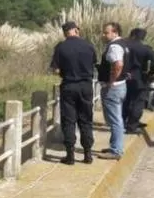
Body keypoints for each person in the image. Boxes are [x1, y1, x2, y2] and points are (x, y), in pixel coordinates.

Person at [49, 20, 98, 165]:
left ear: (64, 32)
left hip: (69, 86)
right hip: (86, 86)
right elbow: (94, 64)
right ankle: (87, 154)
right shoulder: (89, 46)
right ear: (77, 30)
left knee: (69, 120)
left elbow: (56, 69)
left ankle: (70, 155)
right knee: (86, 119)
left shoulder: (60, 47)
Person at [97, 22, 127, 160]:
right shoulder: (123, 44)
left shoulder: (114, 46)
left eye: (106, 32)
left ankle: (116, 150)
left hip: (114, 87)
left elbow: (118, 64)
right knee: (116, 118)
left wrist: (111, 81)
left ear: (115, 33)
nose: (104, 35)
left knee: (115, 119)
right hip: (120, 86)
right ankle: (115, 145)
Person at [123, 28, 154, 134]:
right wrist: (151, 72)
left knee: (126, 100)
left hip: (123, 77)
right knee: (138, 102)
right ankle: (132, 126)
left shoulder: (123, 45)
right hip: (139, 78)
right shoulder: (145, 48)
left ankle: (124, 121)